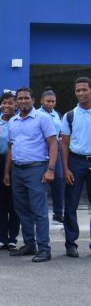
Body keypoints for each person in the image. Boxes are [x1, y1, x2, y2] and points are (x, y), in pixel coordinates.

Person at [4, 87, 57, 262]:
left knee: (39, 211)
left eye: (26, 98)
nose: (23, 101)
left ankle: (44, 248)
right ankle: (29, 244)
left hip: (36, 169)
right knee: (21, 209)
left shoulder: (43, 118)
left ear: (33, 100)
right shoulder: (13, 121)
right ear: (16, 101)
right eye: (20, 98)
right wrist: (7, 172)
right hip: (17, 170)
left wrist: (50, 169)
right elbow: (11, 147)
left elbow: (53, 144)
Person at [62, 76, 91, 258]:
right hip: (75, 162)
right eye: (77, 90)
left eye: (84, 90)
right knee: (71, 205)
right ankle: (71, 243)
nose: (80, 93)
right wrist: (65, 168)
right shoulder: (70, 115)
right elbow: (64, 143)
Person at [0, 92, 19, 251]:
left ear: (16, 105)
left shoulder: (18, 122)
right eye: (3, 103)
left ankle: (13, 238)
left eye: (10, 103)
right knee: (0, 203)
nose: (6, 106)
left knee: (15, 204)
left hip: (16, 163)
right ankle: (2, 239)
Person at [40, 89, 65, 223]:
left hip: (57, 150)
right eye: (48, 101)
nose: (50, 104)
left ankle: (58, 212)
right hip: (42, 151)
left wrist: (59, 139)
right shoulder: (37, 114)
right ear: (41, 101)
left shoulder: (58, 114)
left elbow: (60, 132)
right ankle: (40, 212)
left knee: (59, 180)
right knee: (41, 181)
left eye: (53, 101)